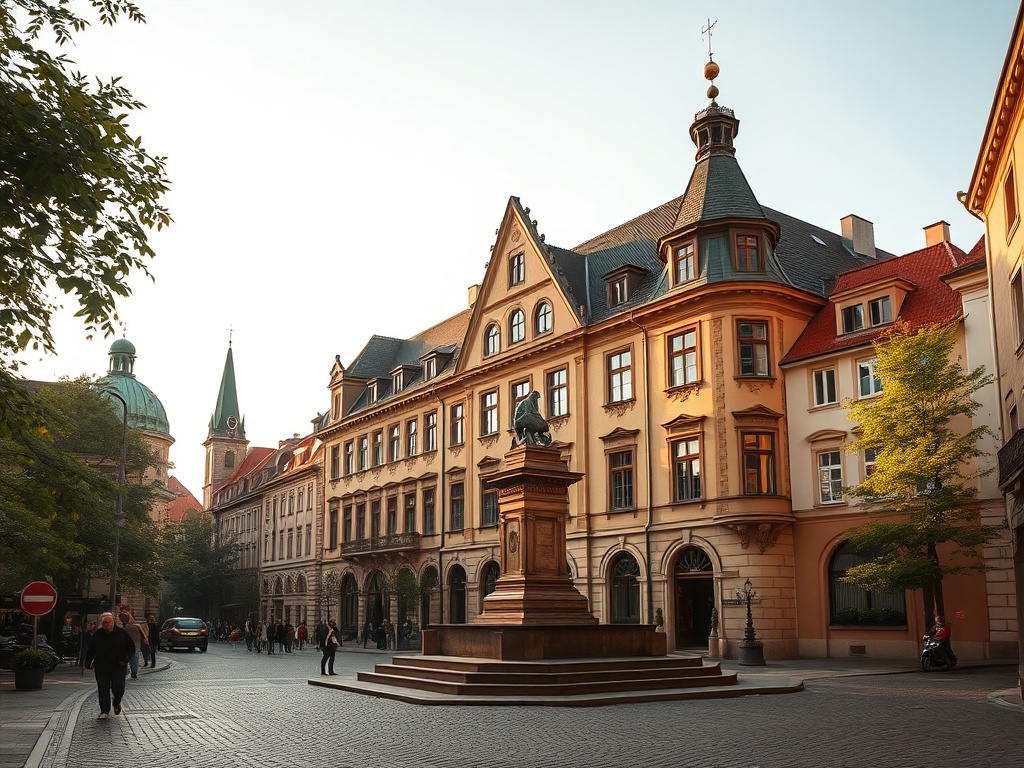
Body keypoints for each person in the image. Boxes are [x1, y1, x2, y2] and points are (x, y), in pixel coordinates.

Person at [85, 612, 134, 719]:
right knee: (103, 687)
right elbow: (91, 650)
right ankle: (104, 710)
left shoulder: (122, 633)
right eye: (105, 622)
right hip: (102, 666)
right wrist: (88, 662)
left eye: (109, 621)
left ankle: (116, 702)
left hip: (119, 665)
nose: (107, 624)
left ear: (113, 621)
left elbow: (131, 647)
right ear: (102, 623)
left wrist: (126, 659)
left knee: (119, 687)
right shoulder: (97, 635)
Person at [118, 610, 145, 679]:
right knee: (134, 659)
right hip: (134, 646)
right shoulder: (137, 626)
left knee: (126, 659)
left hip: (125, 647)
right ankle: (133, 672)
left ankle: (127, 672)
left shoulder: (120, 628)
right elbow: (143, 636)